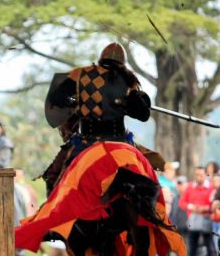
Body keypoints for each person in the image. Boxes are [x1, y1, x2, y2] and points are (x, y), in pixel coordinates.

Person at [41, 42, 152, 194]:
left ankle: (54, 205)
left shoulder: (80, 74)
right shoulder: (128, 79)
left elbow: (57, 98)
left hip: (86, 141)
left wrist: (75, 100)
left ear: (101, 58)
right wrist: (127, 104)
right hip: (120, 141)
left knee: (53, 175)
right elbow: (143, 115)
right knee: (146, 176)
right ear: (122, 62)